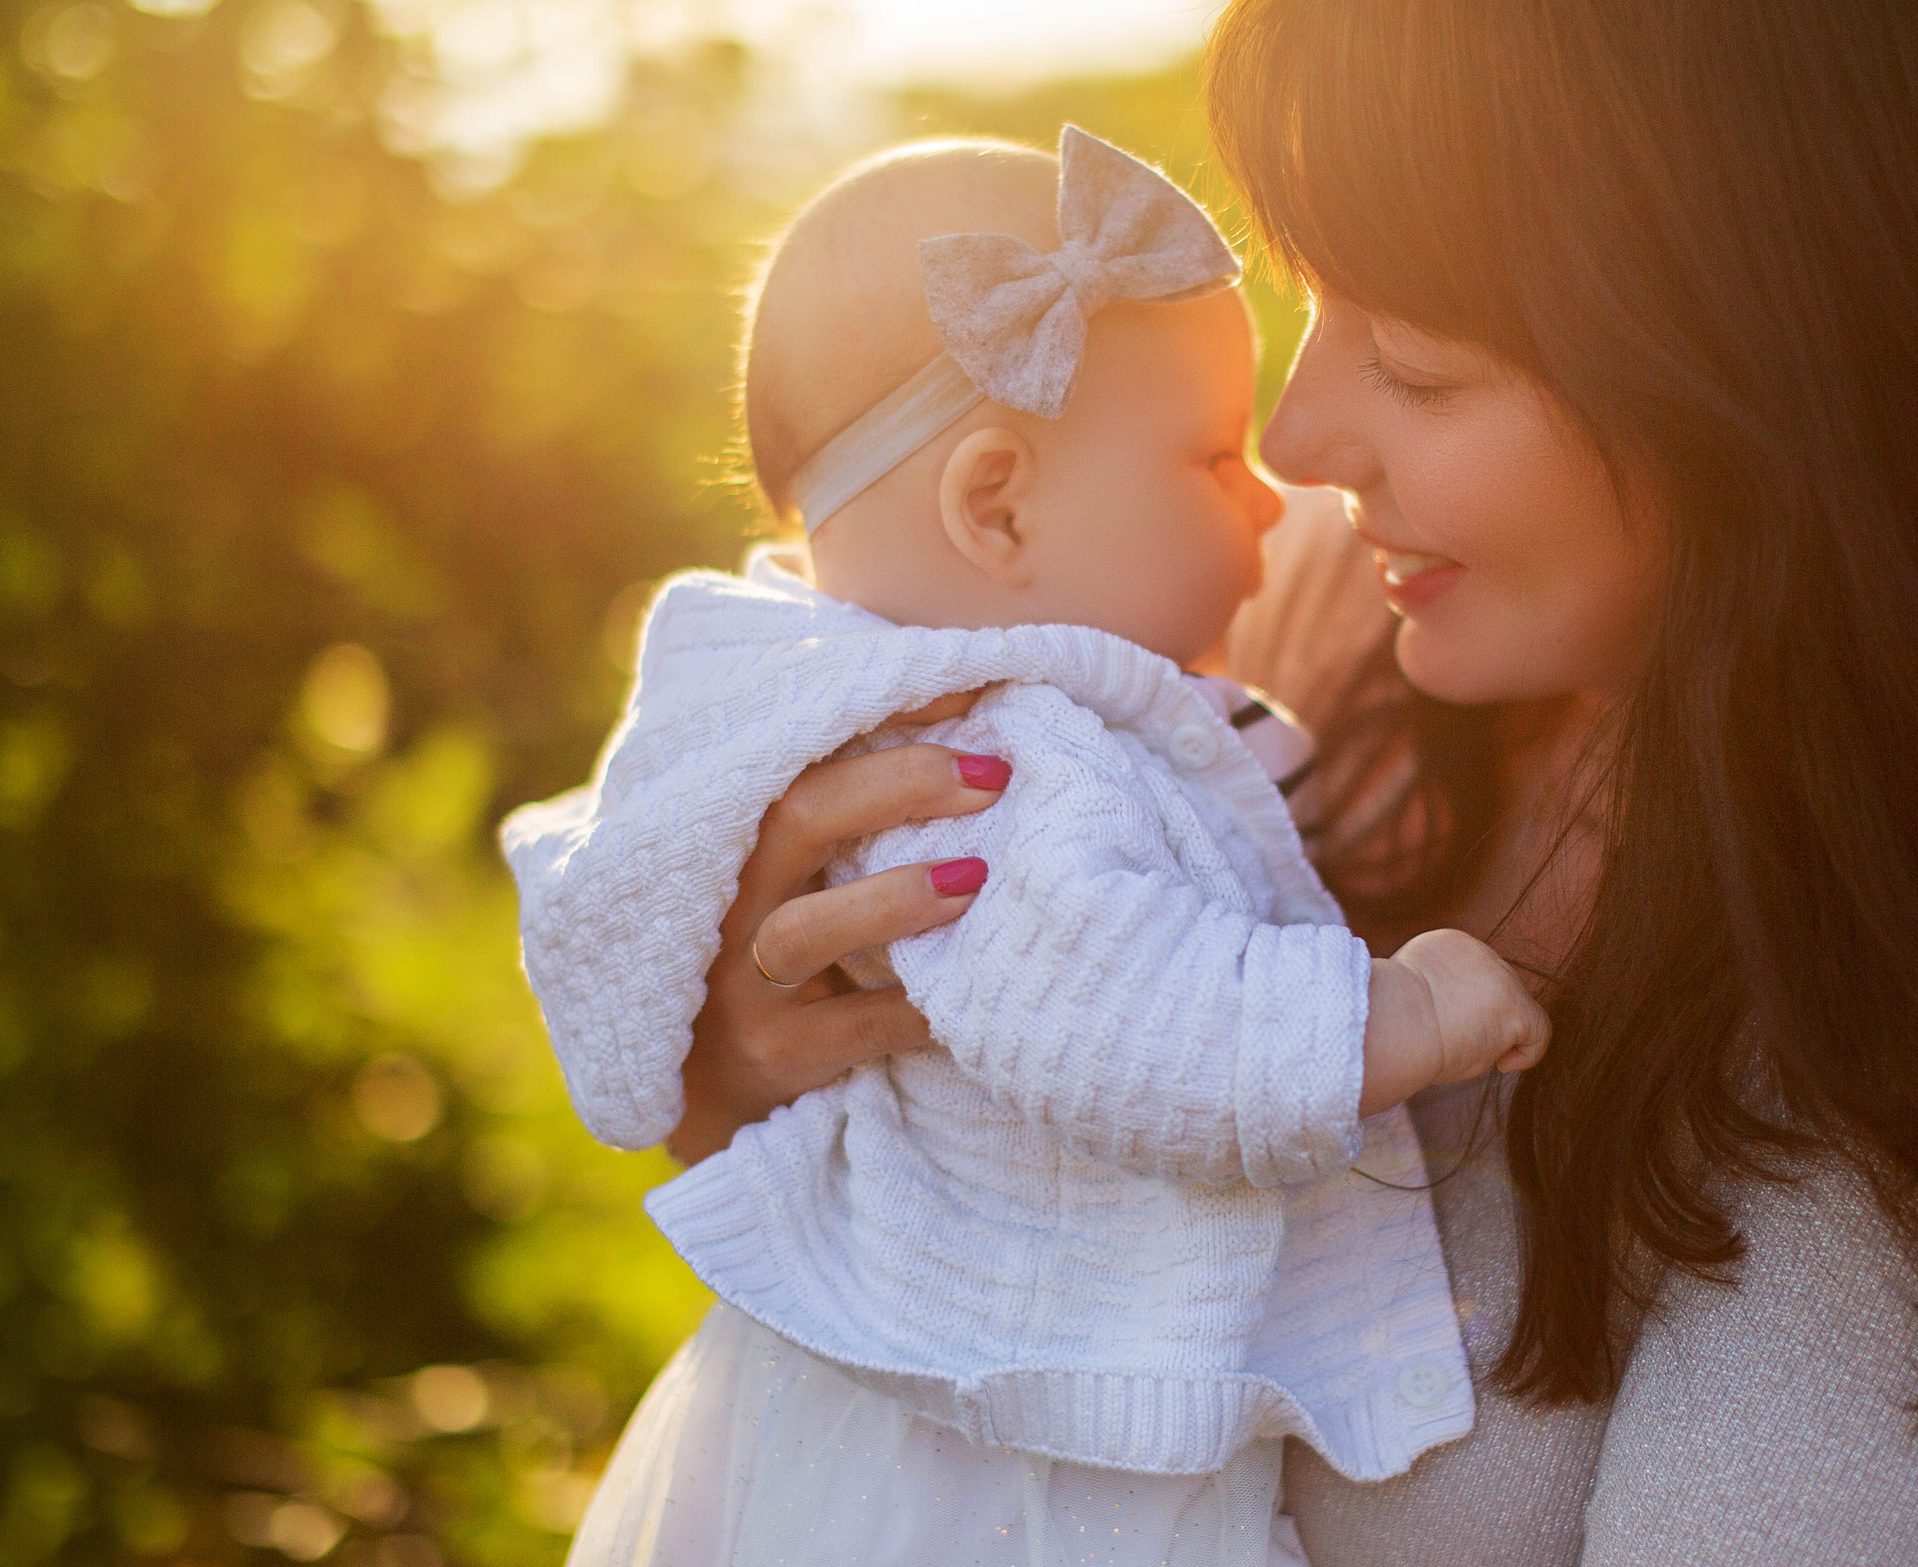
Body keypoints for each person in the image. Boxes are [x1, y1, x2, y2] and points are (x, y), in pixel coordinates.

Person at [659, 0, 1918, 1562]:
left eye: (1421, 365)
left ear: (1764, 377)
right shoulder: (1328, 628)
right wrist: (754, 1067)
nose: (1296, 444)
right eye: (1317, 305)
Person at [503, 126, 1549, 1566]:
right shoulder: (993, 752)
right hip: (1006, 1472)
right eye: (1213, 457)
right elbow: (1131, 1022)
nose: (1277, 493)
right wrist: (1406, 1014)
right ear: (999, 505)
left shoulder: (943, 703)